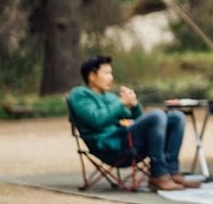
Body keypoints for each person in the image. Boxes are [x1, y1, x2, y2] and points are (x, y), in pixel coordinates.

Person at [67, 55, 199, 191]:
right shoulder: (79, 95)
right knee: (157, 114)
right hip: (110, 146)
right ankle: (158, 175)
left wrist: (134, 104)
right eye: (106, 73)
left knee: (176, 116)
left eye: (111, 73)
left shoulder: (110, 97)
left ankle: (172, 172)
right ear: (92, 76)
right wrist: (121, 103)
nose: (111, 77)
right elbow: (96, 120)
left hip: (127, 140)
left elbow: (140, 120)